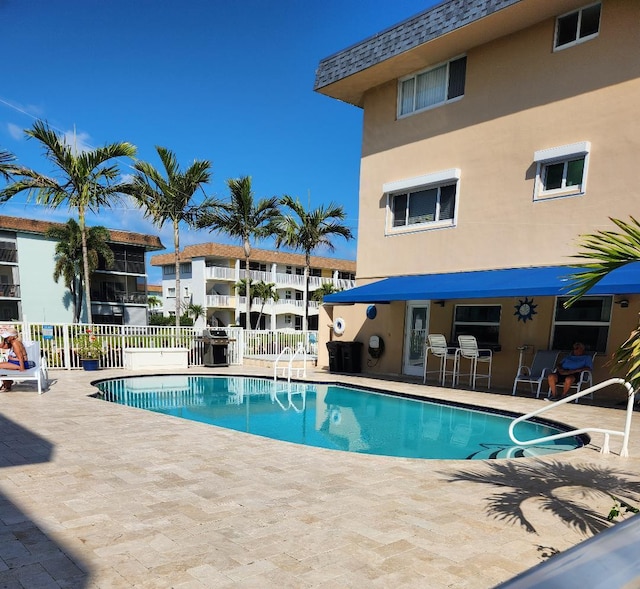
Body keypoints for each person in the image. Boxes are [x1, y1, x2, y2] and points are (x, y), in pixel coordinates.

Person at [0, 327, 34, 391]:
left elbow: (20, 357)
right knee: (1, 366)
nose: (6, 338)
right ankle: (7, 383)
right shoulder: (12, 342)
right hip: (14, 362)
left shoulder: (15, 343)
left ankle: (7, 383)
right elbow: (1, 346)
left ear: (13, 337)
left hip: (20, 364)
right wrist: (5, 339)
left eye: (7, 336)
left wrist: (22, 368)